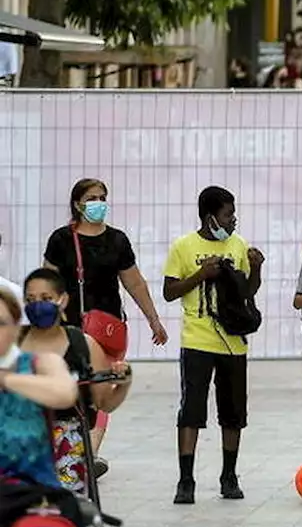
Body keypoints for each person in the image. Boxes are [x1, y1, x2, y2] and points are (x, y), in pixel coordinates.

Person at [43, 178, 167, 476]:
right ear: (77, 204)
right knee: (69, 390)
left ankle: (89, 453)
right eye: (92, 198)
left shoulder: (117, 240)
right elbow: (47, 281)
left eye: (102, 197)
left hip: (108, 328)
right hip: (69, 328)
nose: (99, 203)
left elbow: (133, 282)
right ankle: (68, 449)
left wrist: (153, 318)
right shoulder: (61, 239)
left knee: (102, 387)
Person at [163, 186, 264, 504]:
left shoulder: (238, 244)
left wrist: (257, 266)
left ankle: (229, 475)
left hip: (233, 343)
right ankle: (186, 479)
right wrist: (200, 274)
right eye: (228, 214)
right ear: (211, 217)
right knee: (191, 410)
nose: (233, 220)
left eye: (233, 214)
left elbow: (248, 291)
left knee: (233, 412)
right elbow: (169, 291)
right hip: (197, 341)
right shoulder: (183, 246)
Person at [18, 269, 133, 495]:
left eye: (46, 299)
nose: (37, 305)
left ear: (63, 300)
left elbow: (104, 402)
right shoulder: (11, 342)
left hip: (67, 443)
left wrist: (123, 383)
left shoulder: (83, 345)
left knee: (61, 515)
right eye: (30, 300)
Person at [0, 288, 79, 489]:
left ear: (16, 328)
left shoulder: (40, 363)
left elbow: (65, 393)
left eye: (1, 324)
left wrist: (6, 380)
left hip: (32, 492)